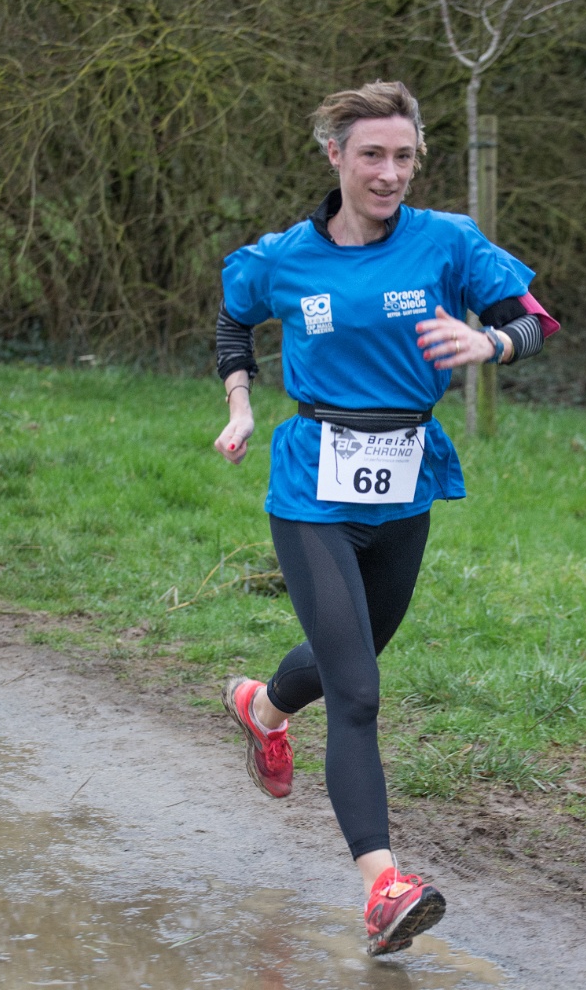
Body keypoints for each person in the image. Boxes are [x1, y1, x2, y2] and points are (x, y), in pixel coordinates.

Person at [213, 80, 559, 956]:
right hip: (312, 490)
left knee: (354, 656)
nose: (390, 172)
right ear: (335, 155)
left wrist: (490, 342)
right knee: (358, 689)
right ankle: (383, 887)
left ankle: (263, 706)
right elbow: (234, 317)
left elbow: (533, 320)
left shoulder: (449, 241)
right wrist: (241, 402)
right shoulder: (283, 257)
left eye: (405, 156)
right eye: (372, 154)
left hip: (406, 483)